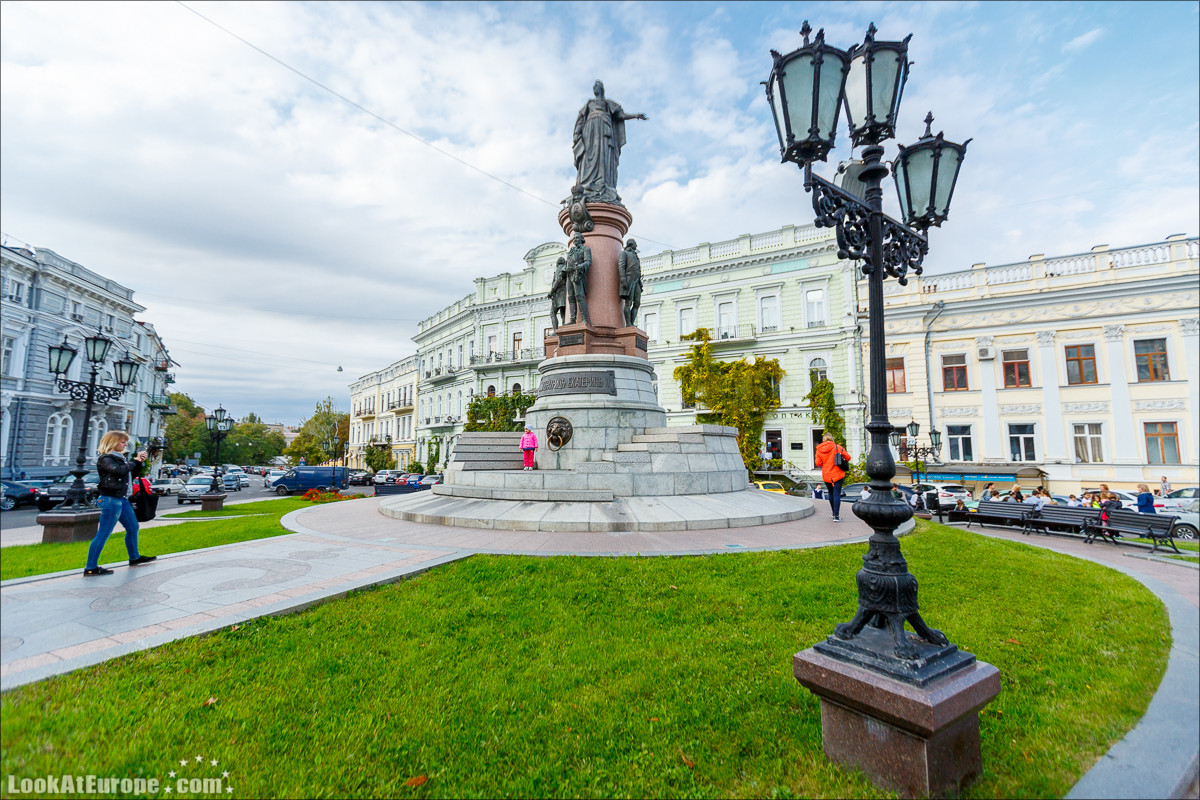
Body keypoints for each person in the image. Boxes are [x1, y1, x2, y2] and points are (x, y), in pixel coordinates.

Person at [84, 431, 156, 577]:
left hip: (122, 499)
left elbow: (129, 475)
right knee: (104, 533)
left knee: (133, 527)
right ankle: (90, 567)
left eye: (125, 442)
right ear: (113, 442)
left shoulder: (121, 458)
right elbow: (118, 471)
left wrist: (138, 463)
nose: (124, 444)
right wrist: (134, 461)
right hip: (110, 499)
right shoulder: (105, 458)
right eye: (122, 442)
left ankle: (134, 557)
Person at [571, 80, 647, 204]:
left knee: (603, 157)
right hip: (590, 133)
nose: (595, 89)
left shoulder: (608, 104)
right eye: (594, 87)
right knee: (589, 157)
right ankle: (587, 185)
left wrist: (635, 115)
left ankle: (602, 184)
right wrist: (576, 134)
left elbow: (621, 115)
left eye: (597, 86)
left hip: (605, 133)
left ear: (601, 89)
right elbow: (580, 121)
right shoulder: (589, 104)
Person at [813, 433, 851, 523]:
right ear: (832, 439)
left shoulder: (819, 449)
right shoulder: (837, 447)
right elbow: (848, 458)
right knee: (836, 494)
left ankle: (833, 513)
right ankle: (836, 516)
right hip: (838, 474)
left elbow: (818, 463)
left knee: (830, 493)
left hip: (827, 475)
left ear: (823, 440)